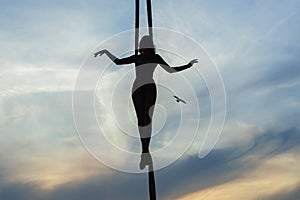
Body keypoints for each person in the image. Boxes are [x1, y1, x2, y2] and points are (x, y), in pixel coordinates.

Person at [94, 35, 198, 168]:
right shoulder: (137, 57)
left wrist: (188, 65)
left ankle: (145, 152)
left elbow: (170, 70)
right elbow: (118, 62)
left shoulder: (155, 57)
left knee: (147, 120)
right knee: (141, 120)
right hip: (138, 88)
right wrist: (107, 52)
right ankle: (144, 152)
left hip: (149, 87)